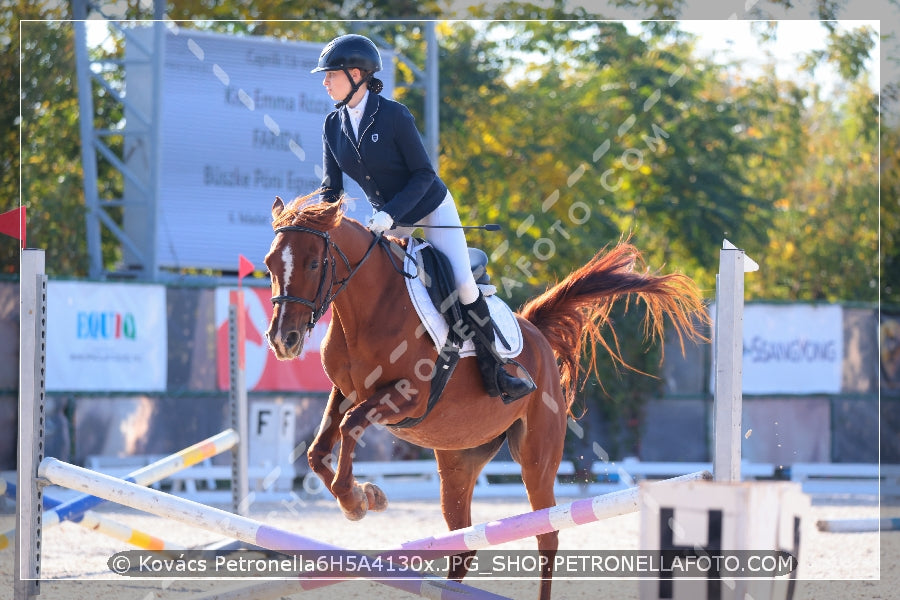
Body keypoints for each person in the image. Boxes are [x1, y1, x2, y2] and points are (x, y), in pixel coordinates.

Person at [312, 33, 535, 403]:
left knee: (463, 284)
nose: (324, 82)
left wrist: (391, 214)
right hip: (387, 219)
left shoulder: (395, 116)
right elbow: (330, 188)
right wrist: (319, 221)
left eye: (330, 74)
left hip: (428, 206)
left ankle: (496, 368)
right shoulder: (332, 126)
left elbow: (424, 175)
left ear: (355, 74)